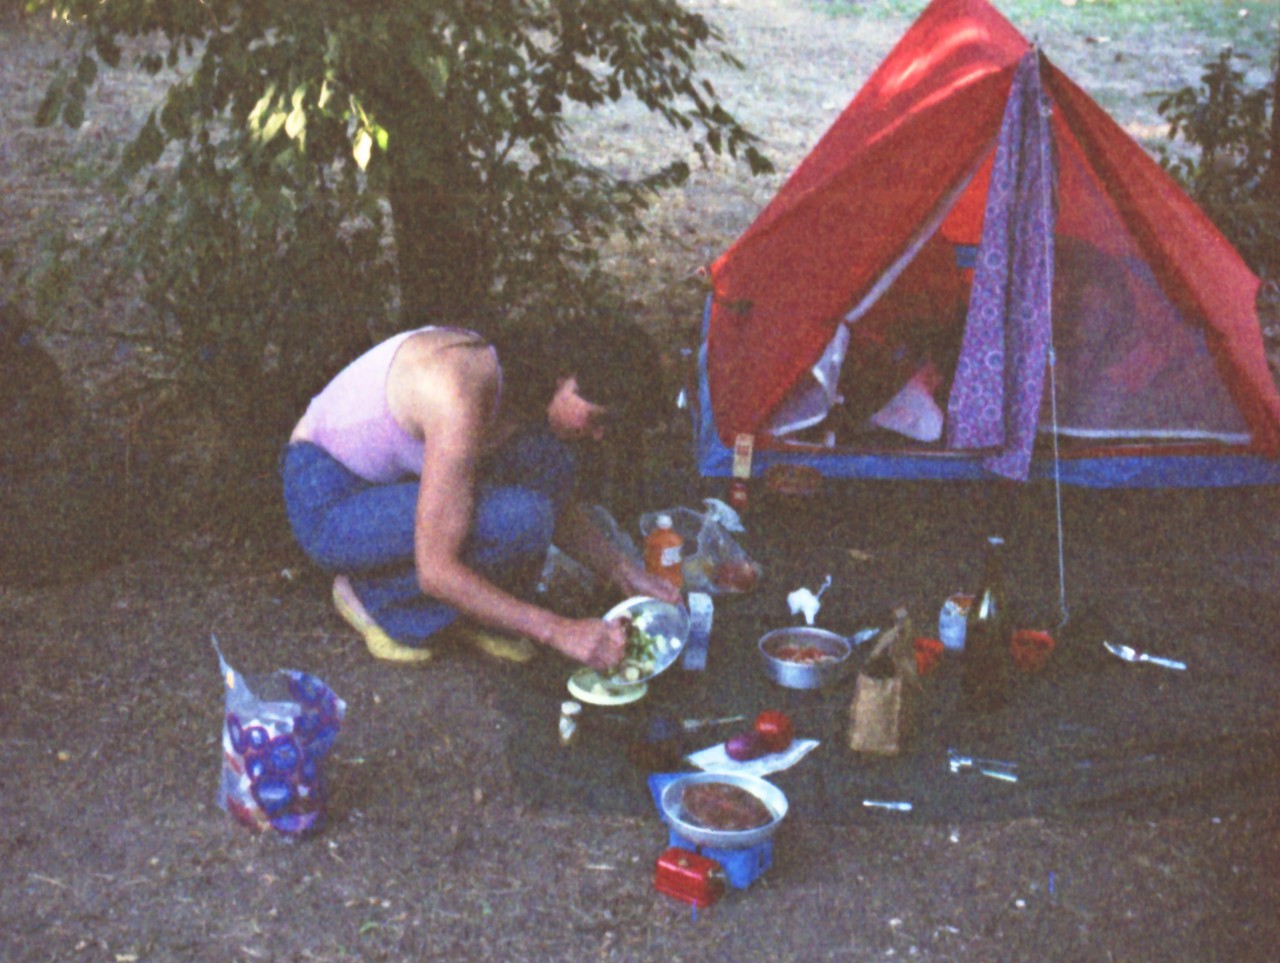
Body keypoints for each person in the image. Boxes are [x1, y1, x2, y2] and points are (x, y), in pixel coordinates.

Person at [281, 316, 681, 670]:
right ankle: (373, 597)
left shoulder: (520, 386)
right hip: (328, 498)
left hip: (386, 484)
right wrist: (558, 631)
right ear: (565, 377)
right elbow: (436, 569)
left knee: (549, 461)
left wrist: (620, 569)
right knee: (519, 519)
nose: (598, 435)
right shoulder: (458, 391)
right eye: (598, 418)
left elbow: (557, 496)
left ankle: (479, 611)